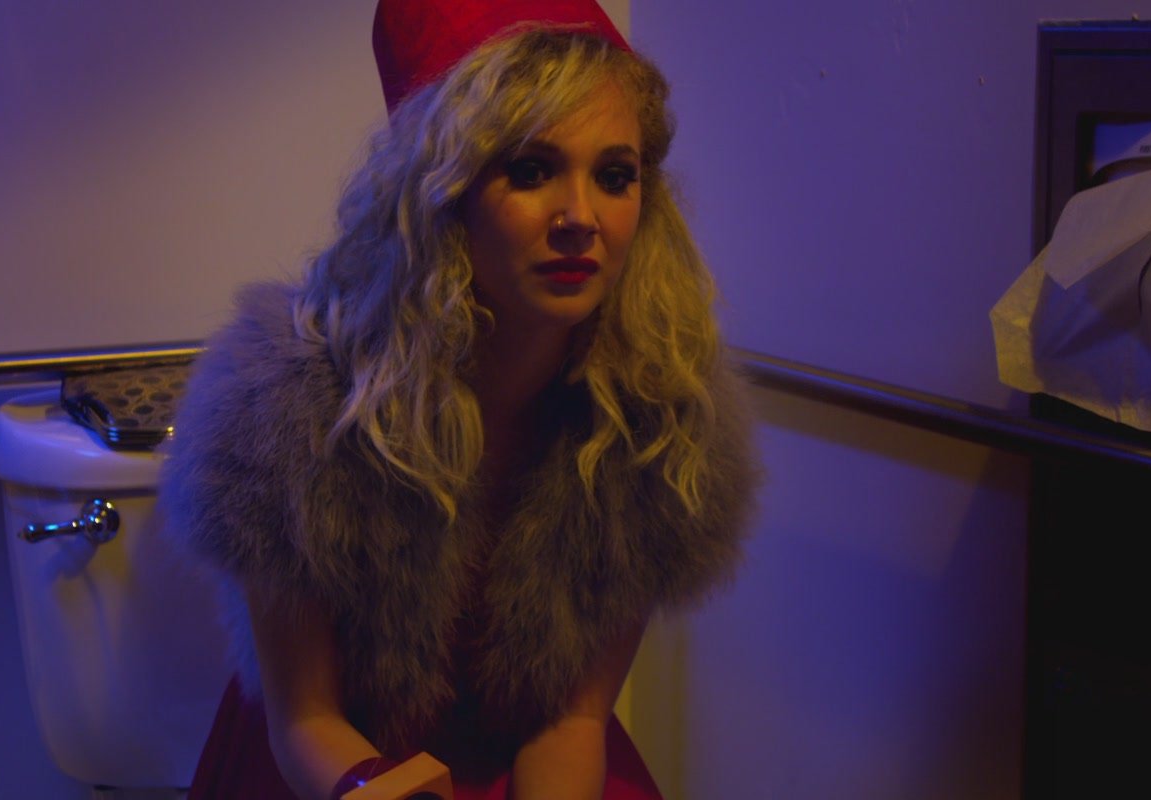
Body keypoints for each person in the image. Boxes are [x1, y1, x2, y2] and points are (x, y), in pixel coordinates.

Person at [160, 1, 759, 797]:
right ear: (439, 192)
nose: (581, 218)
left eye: (615, 177)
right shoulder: (291, 402)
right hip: (335, 772)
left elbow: (574, 721)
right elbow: (303, 720)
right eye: (531, 170)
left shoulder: (657, 411)